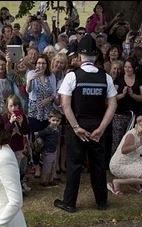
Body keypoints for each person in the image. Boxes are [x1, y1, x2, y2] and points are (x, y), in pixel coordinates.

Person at [54, 34, 117, 213]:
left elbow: (65, 105)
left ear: (79, 56)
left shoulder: (72, 76)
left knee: (74, 164)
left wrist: (76, 127)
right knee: (98, 164)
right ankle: (102, 202)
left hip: (79, 124)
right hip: (98, 124)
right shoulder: (105, 77)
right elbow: (112, 104)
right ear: (96, 56)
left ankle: (70, 202)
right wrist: (101, 128)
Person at [34, 109, 62, 187]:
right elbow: (38, 133)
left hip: (54, 150)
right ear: (49, 119)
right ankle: (44, 181)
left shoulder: (57, 129)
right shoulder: (48, 129)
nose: (55, 122)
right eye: (53, 120)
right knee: (47, 167)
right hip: (47, 151)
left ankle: (51, 180)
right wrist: (37, 142)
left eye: (57, 120)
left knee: (53, 166)